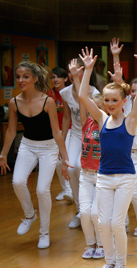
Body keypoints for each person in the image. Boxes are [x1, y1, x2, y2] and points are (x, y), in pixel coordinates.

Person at [78, 46, 137, 268]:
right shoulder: (101, 118)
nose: (110, 103)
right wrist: (87, 70)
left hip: (125, 177)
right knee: (103, 222)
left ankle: (121, 263)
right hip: (103, 176)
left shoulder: (130, 121)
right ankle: (109, 262)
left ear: (122, 101)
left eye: (114, 100)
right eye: (107, 100)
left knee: (117, 222)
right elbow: (82, 96)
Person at [0, 61, 70, 248]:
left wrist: (64, 157)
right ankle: (30, 215)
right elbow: (11, 131)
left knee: (41, 190)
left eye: (25, 76)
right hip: (27, 146)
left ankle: (44, 233)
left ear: (35, 79)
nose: (21, 80)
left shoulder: (47, 101)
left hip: (49, 148)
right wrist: (3, 154)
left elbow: (56, 132)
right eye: (18, 77)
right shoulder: (14, 102)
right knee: (17, 182)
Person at [69, 58, 106, 259]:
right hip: (85, 174)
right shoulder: (86, 123)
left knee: (94, 213)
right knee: (84, 212)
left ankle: (101, 244)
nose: (94, 111)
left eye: (97, 108)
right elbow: (82, 99)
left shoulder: (105, 123)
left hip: (101, 174)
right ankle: (90, 244)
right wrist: (77, 77)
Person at [110, 37, 137, 236]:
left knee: (133, 192)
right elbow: (119, 83)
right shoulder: (128, 104)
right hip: (127, 154)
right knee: (122, 191)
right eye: (131, 91)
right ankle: (123, 223)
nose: (134, 93)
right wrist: (116, 55)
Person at [60, 58, 100, 229]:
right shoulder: (65, 93)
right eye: (69, 71)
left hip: (89, 133)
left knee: (78, 166)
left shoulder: (94, 92)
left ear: (84, 72)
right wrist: (62, 142)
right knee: (69, 167)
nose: (72, 74)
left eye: (76, 70)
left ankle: (89, 206)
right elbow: (67, 117)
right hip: (75, 133)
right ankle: (79, 209)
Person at [49, 67, 73, 203]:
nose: (55, 79)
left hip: (68, 130)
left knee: (63, 160)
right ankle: (66, 189)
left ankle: (69, 190)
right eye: (53, 77)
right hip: (53, 131)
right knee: (57, 163)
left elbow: (67, 117)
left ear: (65, 79)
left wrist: (63, 136)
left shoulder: (68, 93)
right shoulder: (49, 94)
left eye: (58, 77)